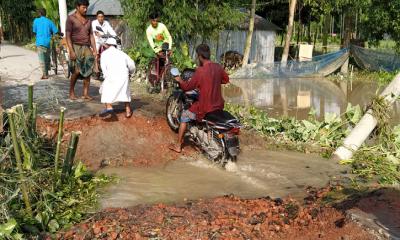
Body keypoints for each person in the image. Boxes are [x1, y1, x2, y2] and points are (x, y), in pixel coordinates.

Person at [169, 44, 230, 153]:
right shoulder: (218, 67)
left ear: (200, 56)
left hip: (205, 107)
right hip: (218, 105)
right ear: (209, 54)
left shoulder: (200, 71)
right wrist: (213, 81)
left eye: (197, 56)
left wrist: (180, 80)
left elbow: (187, 87)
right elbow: (225, 79)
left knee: (184, 116)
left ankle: (178, 145)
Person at [66, 0, 97, 100]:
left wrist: (95, 49)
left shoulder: (89, 21)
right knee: (76, 71)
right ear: (77, 7)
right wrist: (71, 50)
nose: (86, 9)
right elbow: (68, 36)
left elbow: (91, 35)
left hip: (86, 47)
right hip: (75, 46)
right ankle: (71, 92)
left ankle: (85, 93)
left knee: (88, 70)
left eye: (86, 7)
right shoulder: (71, 19)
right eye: (83, 7)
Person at [99, 38, 135, 118]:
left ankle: (109, 107)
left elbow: (103, 68)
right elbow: (132, 65)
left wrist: (106, 77)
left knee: (105, 91)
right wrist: (130, 73)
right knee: (125, 92)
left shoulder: (104, 54)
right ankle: (128, 110)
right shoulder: (122, 53)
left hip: (111, 76)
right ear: (115, 45)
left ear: (107, 45)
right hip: (123, 76)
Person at [32, 8, 58, 79]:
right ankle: (47, 70)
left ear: (40, 13)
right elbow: (55, 31)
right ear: (45, 14)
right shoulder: (49, 21)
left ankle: (45, 74)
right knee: (46, 57)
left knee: (42, 59)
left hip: (40, 42)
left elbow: (34, 32)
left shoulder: (36, 21)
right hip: (47, 42)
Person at [92, 10, 117, 79]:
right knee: (96, 53)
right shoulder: (94, 23)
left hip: (105, 40)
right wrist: (99, 35)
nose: (100, 18)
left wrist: (115, 36)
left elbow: (111, 31)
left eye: (102, 17)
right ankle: (96, 69)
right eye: (99, 17)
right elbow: (96, 32)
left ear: (104, 17)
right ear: (97, 17)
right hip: (97, 40)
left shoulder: (106, 23)